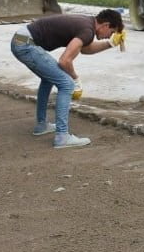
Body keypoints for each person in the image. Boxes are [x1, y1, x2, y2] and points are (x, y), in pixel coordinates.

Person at [10, 9, 125, 149]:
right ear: (106, 25)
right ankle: (62, 137)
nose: (110, 36)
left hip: (21, 39)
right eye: (112, 33)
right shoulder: (87, 30)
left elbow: (84, 48)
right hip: (26, 45)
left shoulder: (87, 24)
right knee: (66, 84)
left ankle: (42, 125)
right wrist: (75, 79)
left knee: (49, 78)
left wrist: (111, 44)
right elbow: (64, 61)